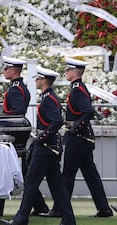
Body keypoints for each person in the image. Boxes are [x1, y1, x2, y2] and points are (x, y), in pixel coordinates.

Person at [1, 66, 76, 225]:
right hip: (50, 148)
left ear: (43, 81)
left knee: (31, 182)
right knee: (57, 186)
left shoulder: (48, 99)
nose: (35, 81)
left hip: (45, 148)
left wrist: (42, 137)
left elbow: (57, 121)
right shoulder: (49, 97)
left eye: (37, 79)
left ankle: (21, 218)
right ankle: (69, 219)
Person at [44, 57, 114, 218]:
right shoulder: (77, 88)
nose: (65, 72)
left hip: (78, 139)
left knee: (67, 175)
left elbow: (88, 111)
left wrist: (76, 127)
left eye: (68, 70)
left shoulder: (77, 89)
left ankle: (60, 208)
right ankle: (104, 208)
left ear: (74, 71)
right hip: (83, 139)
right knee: (91, 175)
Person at [0, 56, 48, 217]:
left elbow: (16, 113)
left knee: (9, 170)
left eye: (6, 68)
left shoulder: (16, 89)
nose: (4, 71)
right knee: (22, 173)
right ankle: (39, 205)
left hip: (11, 135)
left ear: (13, 70)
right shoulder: (18, 87)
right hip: (13, 135)